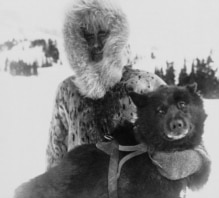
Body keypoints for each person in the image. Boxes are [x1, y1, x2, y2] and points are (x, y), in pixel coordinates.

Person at [46, 0, 210, 183]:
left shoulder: (145, 84)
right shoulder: (67, 91)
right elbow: (56, 152)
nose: (96, 45)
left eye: (103, 34)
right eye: (88, 36)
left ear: (117, 36)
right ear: (75, 41)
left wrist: (189, 161)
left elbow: (192, 136)